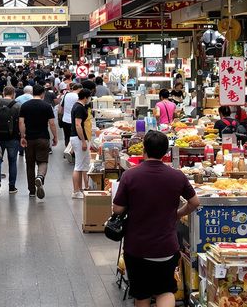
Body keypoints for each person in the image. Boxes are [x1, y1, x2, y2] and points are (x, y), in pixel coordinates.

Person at [112, 130, 199, 307]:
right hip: (166, 248)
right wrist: (177, 214)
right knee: (165, 290)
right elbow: (194, 202)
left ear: (144, 150)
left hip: (137, 248)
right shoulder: (177, 176)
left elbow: (118, 208)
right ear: (166, 152)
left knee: (142, 294)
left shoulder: (130, 175)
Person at [20, 84, 58, 199]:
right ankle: (40, 177)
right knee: (43, 161)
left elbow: (21, 123)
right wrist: (55, 136)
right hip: (43, 138)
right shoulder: (46, 106)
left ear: (32, 93)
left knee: (30, 164)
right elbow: (51, 123)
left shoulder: (25, 106)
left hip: (29, 139)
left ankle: (31, 191)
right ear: (43, 94)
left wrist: (22, 136)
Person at [0, 87, 21, 197]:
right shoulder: (17, 105)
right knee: (12, 162)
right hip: (13, 137)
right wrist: (23, 135)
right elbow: (21, 122)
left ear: (3, 93)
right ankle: (12, 186)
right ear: (13, 94)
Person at [71, 88, 94, 198]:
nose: (89, 99)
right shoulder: (79, 107)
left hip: (79, 138)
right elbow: (78, 125)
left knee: (83, 165)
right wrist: (83, 141)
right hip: (79, 138)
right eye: (89, 97)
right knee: (78, 165)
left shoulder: (78, 106)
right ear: (85, 97)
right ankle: (76, 191)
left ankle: (80, 189)